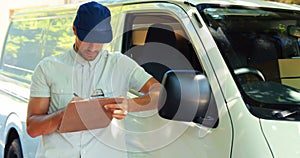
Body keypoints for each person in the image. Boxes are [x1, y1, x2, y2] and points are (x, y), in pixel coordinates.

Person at [26, 1, 160, 157]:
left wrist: (129, 105)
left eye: (99, 41)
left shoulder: (120, 64)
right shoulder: (48, 68)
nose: (93, 48)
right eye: (88, 40)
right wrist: (65, 115)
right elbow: (32, 128)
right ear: (74, 30)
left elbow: (160, 94)